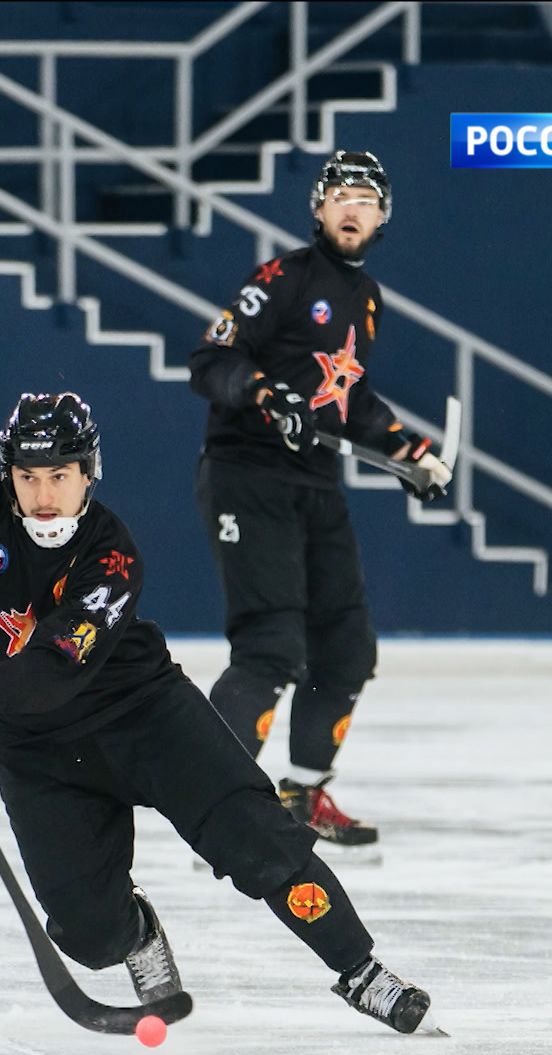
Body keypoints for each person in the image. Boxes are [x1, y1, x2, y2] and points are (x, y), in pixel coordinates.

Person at [0, 392, 438, 1035]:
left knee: (259, 839)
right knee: (88, 937)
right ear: (7, 473)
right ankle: (137, 929)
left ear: (89, 472)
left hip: (147, 718)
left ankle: (362, 971)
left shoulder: (111, 554)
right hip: (40, 754)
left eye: (60, 476)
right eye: (28, 476)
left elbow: (60, 662)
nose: (42, 495)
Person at [187, 150, 451, 849]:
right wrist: (267, 394)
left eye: (366, 198)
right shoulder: (282, 277)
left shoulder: (366, 300)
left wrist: (410, 452)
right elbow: (212, 362)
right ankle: (217, 811)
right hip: (248, 476)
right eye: (341, 196)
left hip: (314, 486)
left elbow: (349, 398)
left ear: (383, 215)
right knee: (271, 648)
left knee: (346, 652)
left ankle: (301, 797)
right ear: (318, 208)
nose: (353, 209)